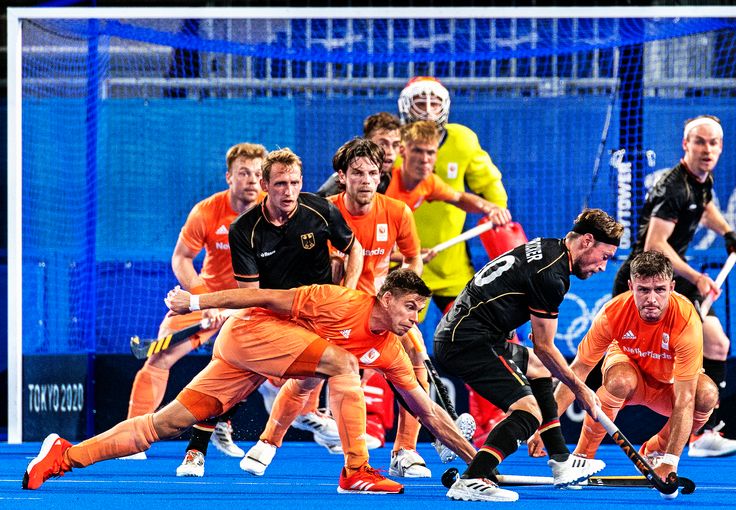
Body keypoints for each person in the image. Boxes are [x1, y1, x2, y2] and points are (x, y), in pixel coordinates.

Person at [23, 270, 476, 495]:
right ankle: (356, 469)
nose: (415, 318)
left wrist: (479, 460)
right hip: (247, 333)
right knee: (342, 364)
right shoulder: (337, 301)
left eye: (420, 311)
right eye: (410, 307)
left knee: (163, 425)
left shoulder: (392, 350)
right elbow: (262, 295)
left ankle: (64, 455)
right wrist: (196, 302)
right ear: (386, 298)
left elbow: (428, 413)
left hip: (251, 364)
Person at [251, 138, 435, 478]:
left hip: (380, 309)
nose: (367, 181)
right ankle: (268, 442)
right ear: (342, 176)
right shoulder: (320, 213)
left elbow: (412, 259)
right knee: (307, 378)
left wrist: (404, 296)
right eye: (358, 173)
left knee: (413, 358)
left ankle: (405, 451)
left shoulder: (398, 212)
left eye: (373, 173)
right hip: (333, 309)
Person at [175, 147, 364, 476]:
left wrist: (346, 291)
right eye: (280, 184)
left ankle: (306, 436)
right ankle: (197, 448)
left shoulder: (320, 211)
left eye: (294, 183)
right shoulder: (244, 230)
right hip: (271, 314)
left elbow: (354, 248)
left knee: (325, 371)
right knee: (233, 382)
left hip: (319, 313)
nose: (288, 191)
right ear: (266, 185)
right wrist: (211, 304)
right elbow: (252, 294)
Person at [434, 208, 623, 502]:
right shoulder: (552, 275)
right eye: (604, 256)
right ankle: (473, 478)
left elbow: (540, 348)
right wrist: (580, 388)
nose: (602, 267)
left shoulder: (548, 247)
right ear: (587, 241)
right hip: (469, 342)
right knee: (528, 411)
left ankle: (561, 461)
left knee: (538, 368)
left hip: (469, 334)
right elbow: (545, 347)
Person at [611, 114, 736, 458]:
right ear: (686, 145)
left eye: (713, 143)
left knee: (717, 344)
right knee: (627, 367)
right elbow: (655, 245)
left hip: (675, 279)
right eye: (700, 142)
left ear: (720, 148)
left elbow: (705, 207)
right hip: (646, 282)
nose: (707, 149)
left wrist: (728, 232)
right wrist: (697, 278)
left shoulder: (701, 179)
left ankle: (701, 434)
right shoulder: (673, 188)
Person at [123, 142, 267, 464]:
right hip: (206, 299)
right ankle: (132, 437)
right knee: (160, 356)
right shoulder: (207, 211)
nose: (252, 180)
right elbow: (181, 258)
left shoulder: (272, 213)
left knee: (271, 365)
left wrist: (241, 306)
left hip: (251, 301)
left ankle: (222, 423)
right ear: (229, 176)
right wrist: (204, 299)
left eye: (258, 174)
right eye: (244, 173)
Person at [547, 250, 719, 485]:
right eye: (643, 290)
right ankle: (582, 457)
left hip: (668, 384)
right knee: (620, 380)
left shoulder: (686, 319)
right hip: (629, 371)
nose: (651, 299)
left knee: (706, 395)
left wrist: (670, 462)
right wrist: (547, 425)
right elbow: (578, 371)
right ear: (631, 287)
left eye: (660, 290)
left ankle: (657, 449)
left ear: (672, 287)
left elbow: (685, 398)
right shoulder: (612, 313)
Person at [398, 76, 508, 313]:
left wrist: (496, 208)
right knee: (399, 330)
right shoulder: (390, 144)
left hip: (452, 262)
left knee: (473, 323)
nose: (428, 110)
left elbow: (484, 186)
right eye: (420, 103)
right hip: (402, 261)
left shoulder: (462, 140)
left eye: (434, 103)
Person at [386, 120, 511, 236]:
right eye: (417, 151)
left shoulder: (429, 182)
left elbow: (459, 198)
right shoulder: (383, 185)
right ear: (402, 151)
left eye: (430, 153)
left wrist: (491, 208)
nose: (424, 159)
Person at [316, 112, 401, 197]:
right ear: (367, 143)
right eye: (383, 144)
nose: (390, 151)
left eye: (395, 145)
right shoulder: (338, 186)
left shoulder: (396, 178)